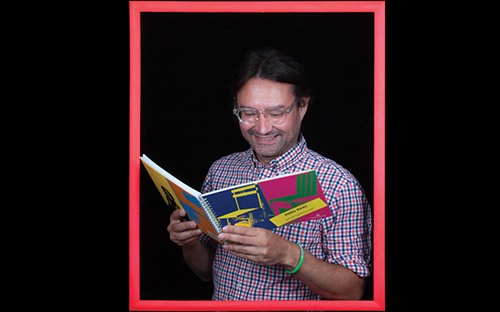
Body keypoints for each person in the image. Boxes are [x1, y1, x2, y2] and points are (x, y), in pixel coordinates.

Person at [167, 48, 372, 300]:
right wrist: (189, 243)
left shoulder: (338, 185)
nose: (262, 128)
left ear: (302, 107)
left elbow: (352, 292)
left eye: (276, 113)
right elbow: (206, 271)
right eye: (248, 113)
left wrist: (287, 254)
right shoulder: (221, 170)